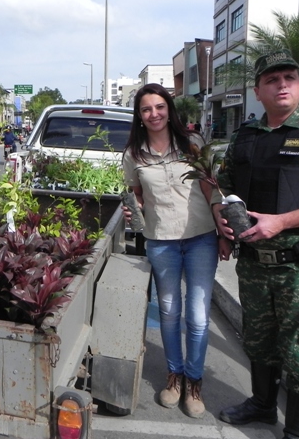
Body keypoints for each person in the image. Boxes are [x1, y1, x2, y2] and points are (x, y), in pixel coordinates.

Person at [213, 50, 299, 439]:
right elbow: (222, 185)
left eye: (289, 78)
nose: (282, 85)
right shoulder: (246, 137)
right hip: (254, 263)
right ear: (257, 90)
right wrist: (220, 220)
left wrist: (282, 222)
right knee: (258, 338)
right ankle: (261, 405)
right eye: (272, 80)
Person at [122, 83, 231, 418]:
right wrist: (133, 208)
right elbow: (136, 193)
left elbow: (212, 190)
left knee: (197, 316)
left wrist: (224, 232)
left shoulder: (192, 144)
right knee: (169, 312)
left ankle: (193, 383)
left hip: (201, 238)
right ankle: (174, 378)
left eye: (159, 107)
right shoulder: (133, 155)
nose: (153, 114)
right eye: (146, 109)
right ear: (139, 116)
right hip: (160, 241)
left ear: (169, 108)